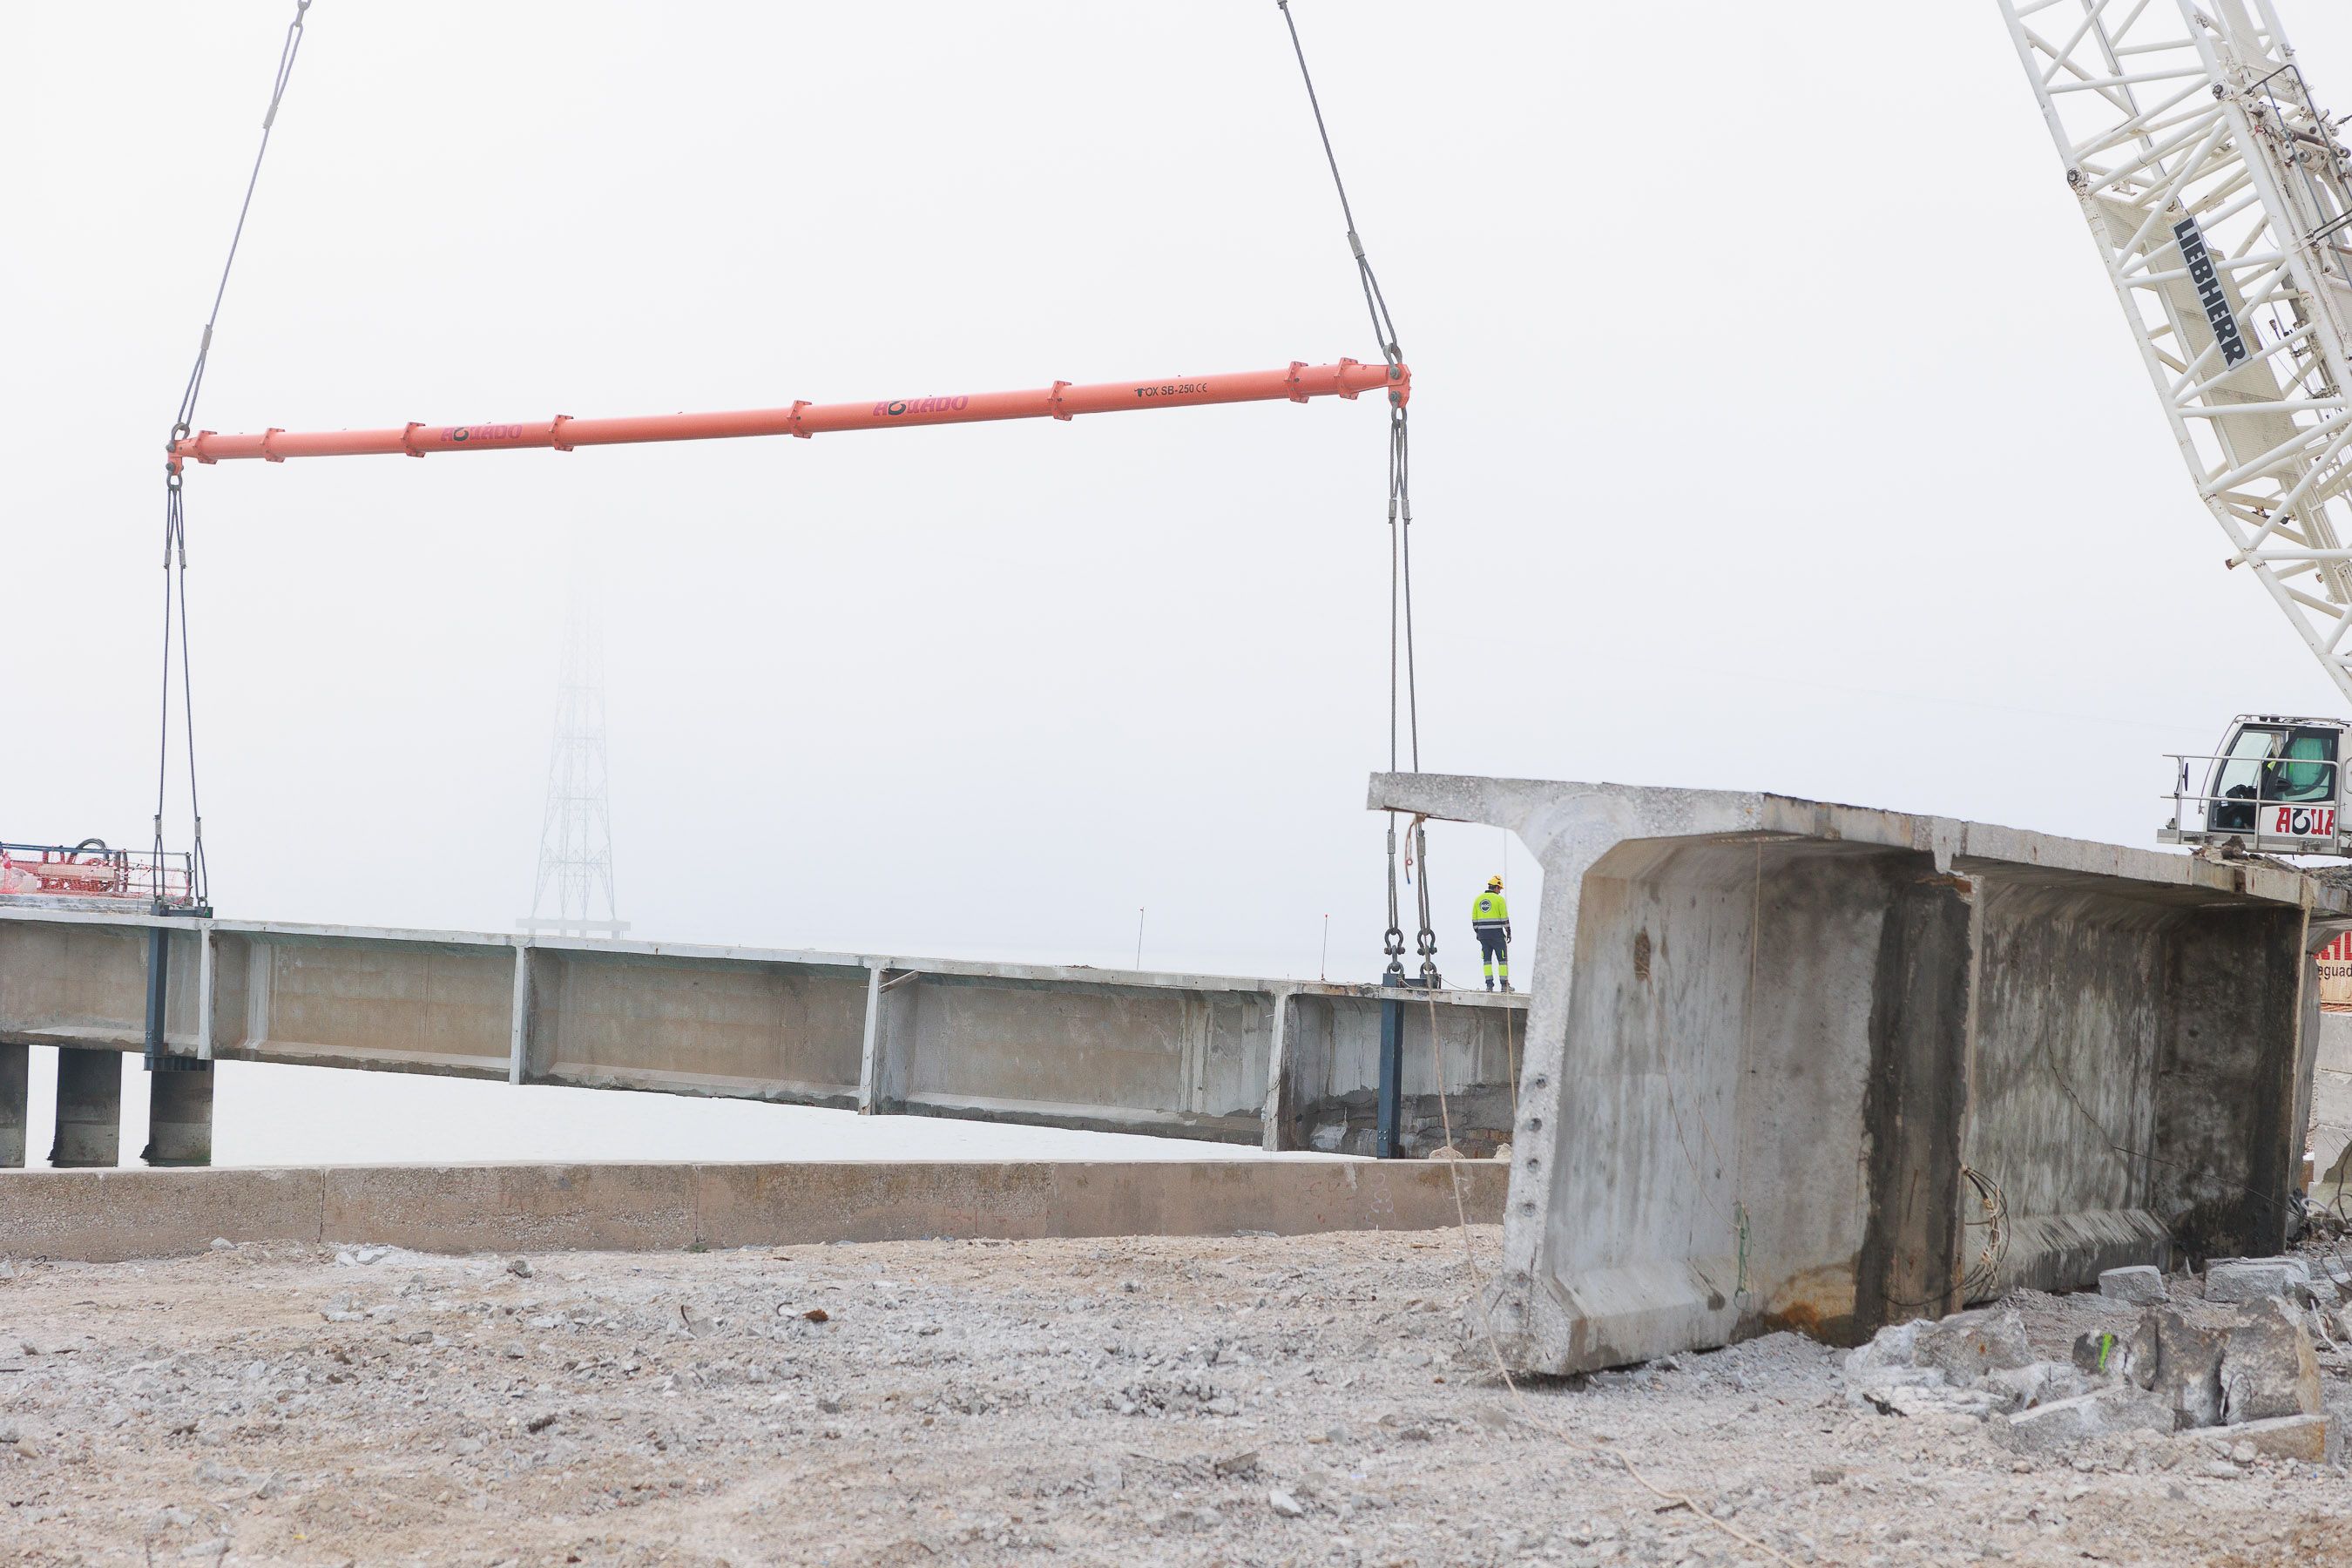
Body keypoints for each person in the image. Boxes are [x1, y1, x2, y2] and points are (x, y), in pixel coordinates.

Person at [1471, 875, 1511, 991]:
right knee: (1502, 960)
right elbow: (1505, 918)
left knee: (1487, 960)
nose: (1500, 892)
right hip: (1497, 935)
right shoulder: (1499, 900)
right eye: (1500, 889)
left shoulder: (1478, 900)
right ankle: (1504, 985)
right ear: (1496, 887)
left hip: (1484, 936)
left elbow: (1474, 920)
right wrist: (1509, 932)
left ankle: (1489, 985)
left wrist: (1478, 933)